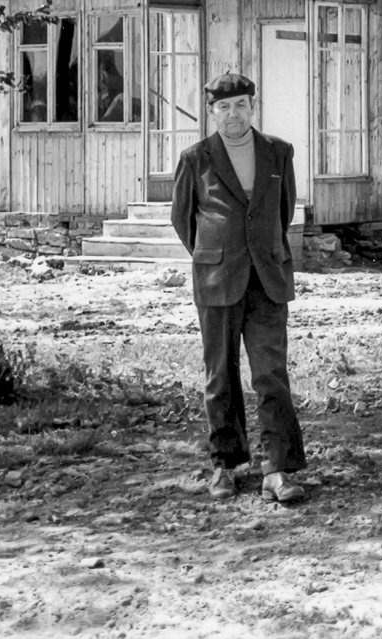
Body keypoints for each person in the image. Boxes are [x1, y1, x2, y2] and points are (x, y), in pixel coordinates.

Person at [170, 72, 307, 504]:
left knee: (271, 375)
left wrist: (256, 250)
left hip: (267, 280)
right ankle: (225, 466)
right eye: (224, 107)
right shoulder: (196, 158)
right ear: (212, 112)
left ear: (253, 106)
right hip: (217, 280)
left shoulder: (278, 153)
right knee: (220, 376)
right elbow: (183, 220)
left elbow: (281, 212)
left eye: (241, 105)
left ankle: (277, 469)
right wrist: (218, 254)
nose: (233, 114)